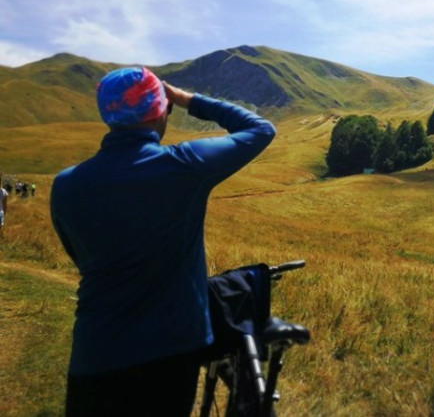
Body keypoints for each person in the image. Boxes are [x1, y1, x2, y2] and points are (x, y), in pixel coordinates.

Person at [50, 66, 276, 417]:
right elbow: (260, 129)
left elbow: (81, 258)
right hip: (171, 350)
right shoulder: (183, 166)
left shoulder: (65, 186)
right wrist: (186, 99)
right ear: (162, 109)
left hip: (95, 352)